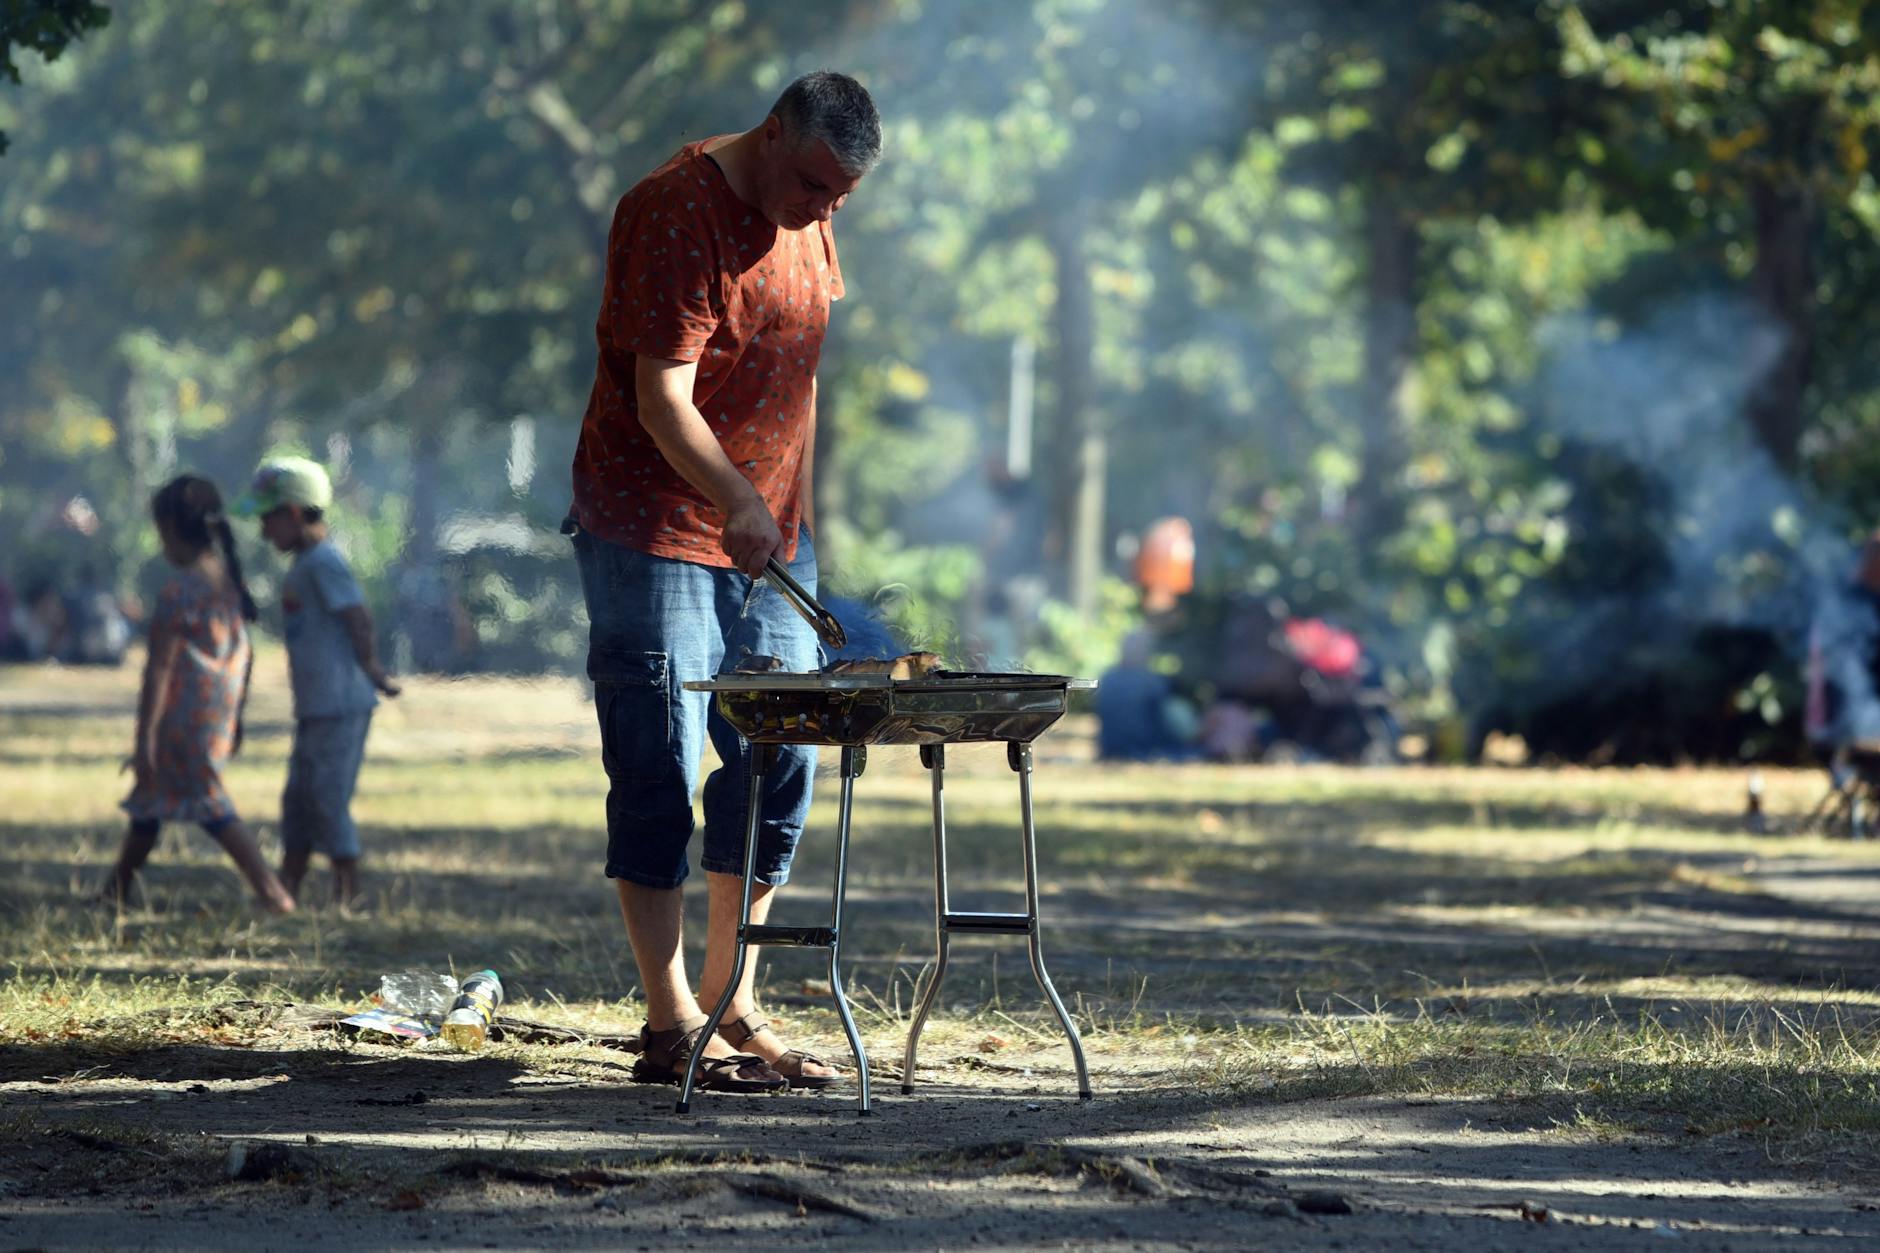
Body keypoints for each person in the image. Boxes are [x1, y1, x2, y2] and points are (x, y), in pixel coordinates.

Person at [566, 71, 881, 1094]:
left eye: (839, 198)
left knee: (779, 754)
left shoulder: (813, 216)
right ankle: (669, 1020)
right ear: (772, 131)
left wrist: (791, 511)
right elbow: (660, 398)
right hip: (652, 524)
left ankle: (730, 994)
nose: (820, 211)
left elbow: (801, 372)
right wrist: (737, 499)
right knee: (655, 753)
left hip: (767, 538)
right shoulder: (673, 210)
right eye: (809, 186)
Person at [98, 475, 295, 912]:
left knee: (209, 804)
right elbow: (244, 659)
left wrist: (144, 738)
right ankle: (115, 890)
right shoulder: (229, 584)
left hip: (181, 721)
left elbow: (159, 670)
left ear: (169, 527)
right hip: (215, 717)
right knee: (151, 801)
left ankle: (271, 891)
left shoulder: (179, 591)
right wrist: (236, 717)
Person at [234, 456, 400, 908]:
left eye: (268, 520)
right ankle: (286, 886)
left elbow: (357, 617)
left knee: (326, 798)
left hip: (340, 704)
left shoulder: (324, 562)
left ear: (291, 513)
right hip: (316, 706)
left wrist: (372, 669)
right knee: (299, 800)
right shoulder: (305, 564)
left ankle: (349, 894)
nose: (265, 532)